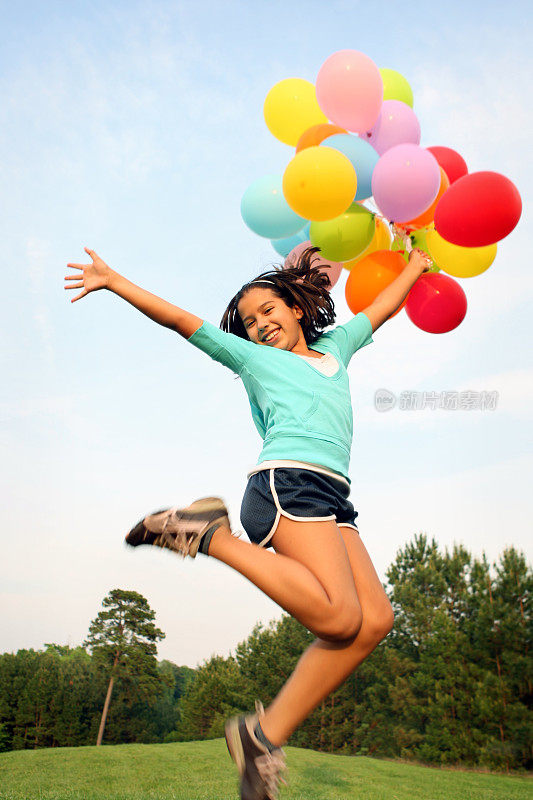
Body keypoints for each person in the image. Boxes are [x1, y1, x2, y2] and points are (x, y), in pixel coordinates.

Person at [65, 244, 431, 800]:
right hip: (287, 484)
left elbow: (382, 306)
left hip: (334, 498)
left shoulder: (338, 348)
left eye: (269, 311)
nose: (260, 325)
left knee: (374, 621)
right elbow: (181, 320)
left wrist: (416, 265)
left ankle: (261, 736)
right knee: (337, 618)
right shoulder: (255, 359)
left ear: (298, 308)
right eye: (250, 321)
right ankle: (208, 535)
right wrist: (115, 281)